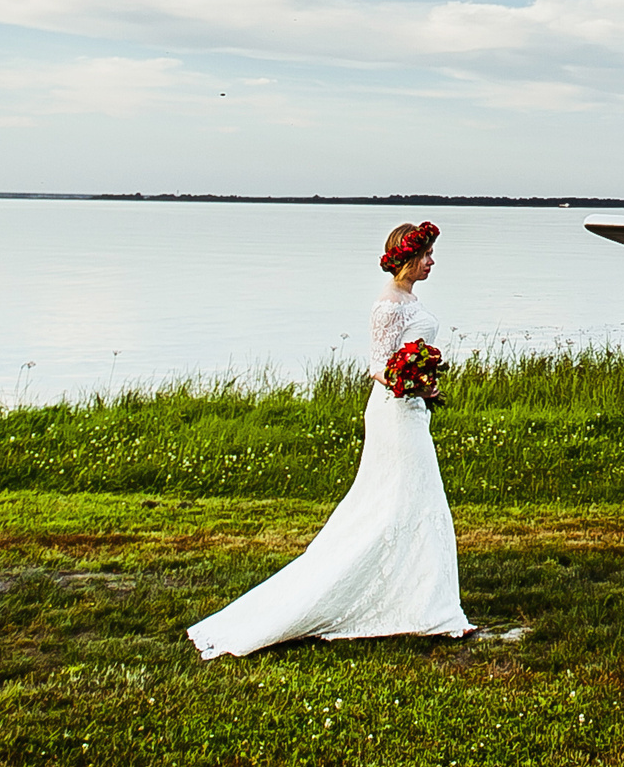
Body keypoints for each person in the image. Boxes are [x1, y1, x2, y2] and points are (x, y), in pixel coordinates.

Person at [186, 221, 474, 657]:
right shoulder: (388, 306)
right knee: (401, 500)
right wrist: (415, 384)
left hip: (411, 410)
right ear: (409, 258)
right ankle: (412, 604)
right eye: (427, 255)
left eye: (432, 254)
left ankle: (423, 601)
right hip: (395, 412)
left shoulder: (409, 300)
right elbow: (378, 367)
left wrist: (423, 385)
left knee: (416, 500)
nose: (432, 262)